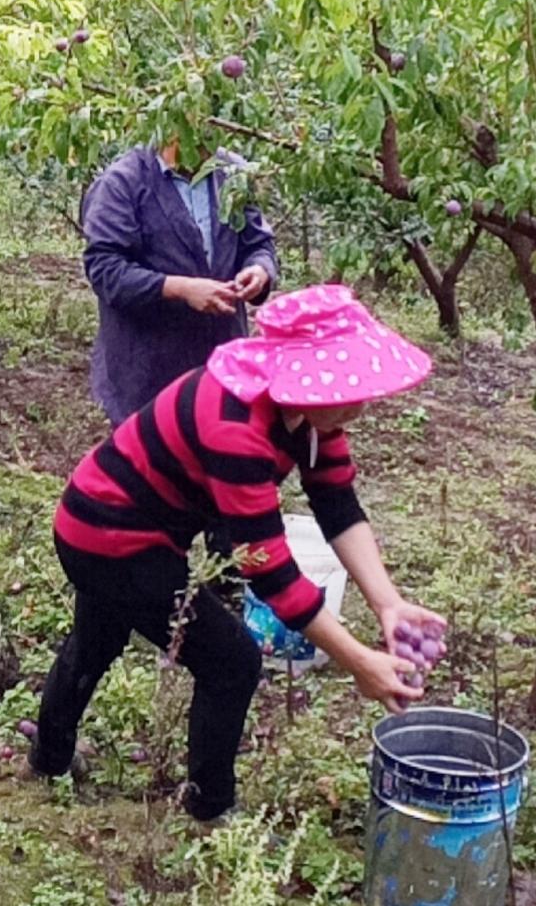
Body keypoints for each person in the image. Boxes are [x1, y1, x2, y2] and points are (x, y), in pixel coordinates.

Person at [29, 285, 444, 821]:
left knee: (98, 637)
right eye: (347, 388)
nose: (359, 404)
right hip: (106, 535)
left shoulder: (309, 413)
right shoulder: (236, 425)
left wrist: (388, 603)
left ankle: (49, 760)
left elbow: (337, 502)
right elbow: (267, 568)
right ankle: (210, 811)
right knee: (230, 661)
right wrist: (358, 661)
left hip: (133, 527)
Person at [82, 138, 278, 428]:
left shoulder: (233, 173)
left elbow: (259, 243)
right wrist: (180, 289)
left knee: (221, 447)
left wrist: (259, 270)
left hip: (221, 365)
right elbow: (105, 270)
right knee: (153, 451)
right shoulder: (122, 182)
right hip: (148, 371)